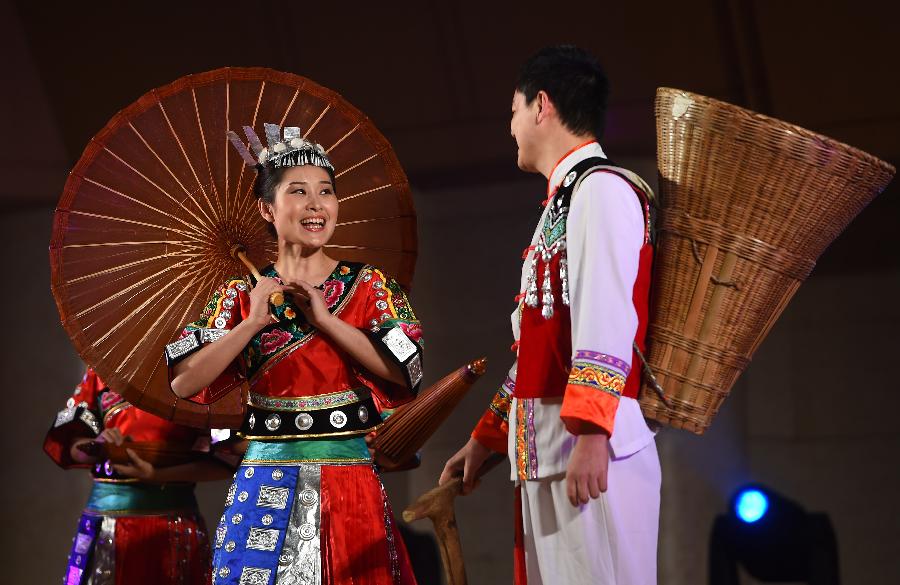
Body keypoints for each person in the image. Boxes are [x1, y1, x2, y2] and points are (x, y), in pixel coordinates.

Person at [439, 45, 661, 585]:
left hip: (589, 452)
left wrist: (591, 435)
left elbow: (607, 317)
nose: (510, 127)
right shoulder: (561, 203)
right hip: (551, 455)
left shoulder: (603, 190)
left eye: (513, 111)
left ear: (542, 106)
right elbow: (540, 343)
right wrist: (487, 437)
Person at [166, 124, 423, 584]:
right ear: (267, 207)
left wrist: (326, 321)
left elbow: (408, 371)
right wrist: (250, 323)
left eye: (326, 192)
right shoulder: (241, 294)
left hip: (348, 479)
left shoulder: (369, 285)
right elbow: (184, 381)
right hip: (264, 479)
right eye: (299, 192)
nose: (316, 205)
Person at [44, 367, 234, 585]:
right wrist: (98, 446)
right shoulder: (102, 366)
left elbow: (226, 459)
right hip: (107, 521)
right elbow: (73, 445)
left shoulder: (197, 365)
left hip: (173, 521)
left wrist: (158, 474)